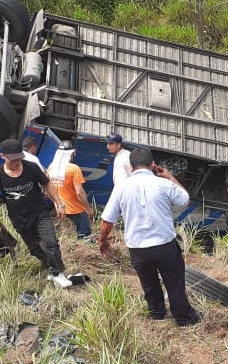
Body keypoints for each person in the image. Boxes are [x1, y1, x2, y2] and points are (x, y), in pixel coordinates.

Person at [99, 147, 201, 326]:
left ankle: (157, 313)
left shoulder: (121, 188)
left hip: (138, 248)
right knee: (174, 282)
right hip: (165, 246)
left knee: (149, 283)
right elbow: (184, 199)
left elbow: (107, 220)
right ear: (153, 165)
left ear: (131, 168)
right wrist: (170, 176)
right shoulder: (164, 184)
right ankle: (183, 318)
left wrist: (103, 241)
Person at [0, 138, 72, 288]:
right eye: (12, 159)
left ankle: (58, 273)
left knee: (50, 242)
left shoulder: (31, 168)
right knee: (35, 249)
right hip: (19, 219)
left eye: (18, 158)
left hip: (39, 213)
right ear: (3, 156)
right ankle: (50, 268)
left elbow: (46, 184)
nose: (16, 162)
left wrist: (59, 203)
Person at [48, 139, 94, 239]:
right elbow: (80, 193)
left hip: (60, 210)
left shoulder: (51, 168)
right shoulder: (74, 169)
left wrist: (58, 204)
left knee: (65, 238)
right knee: (85, 238)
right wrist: (88, 208)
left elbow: (47, 192)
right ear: (71, 153)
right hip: (76, 210)